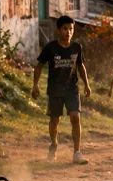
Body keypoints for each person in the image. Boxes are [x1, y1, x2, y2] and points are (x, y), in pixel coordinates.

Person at [32, 16, 92, 164]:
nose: (68, 32)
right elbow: (39, 66)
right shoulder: (50, 48)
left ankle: (77, 153)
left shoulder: (76, 47)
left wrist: (87, 84)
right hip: (55, 90)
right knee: (55, 119)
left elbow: (80, 66)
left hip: (72, 89)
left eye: (71, 29)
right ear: (58, 30)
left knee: (75, 117)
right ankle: (53, 144)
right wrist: (35, 85)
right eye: (65, 28)